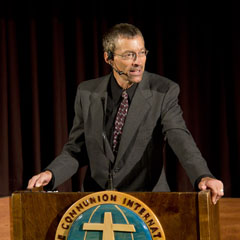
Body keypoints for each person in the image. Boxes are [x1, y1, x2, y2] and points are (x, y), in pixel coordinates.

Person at [27, 23, 224, 204]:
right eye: (129, 55)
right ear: (108, 58)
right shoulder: (87, 93)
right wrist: (51, 174)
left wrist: (202, 175)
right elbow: (76, 149)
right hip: (97, 202)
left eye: (142, 53)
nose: (138, 61)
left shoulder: (163, 91)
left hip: (146, 203)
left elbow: (180, 138)